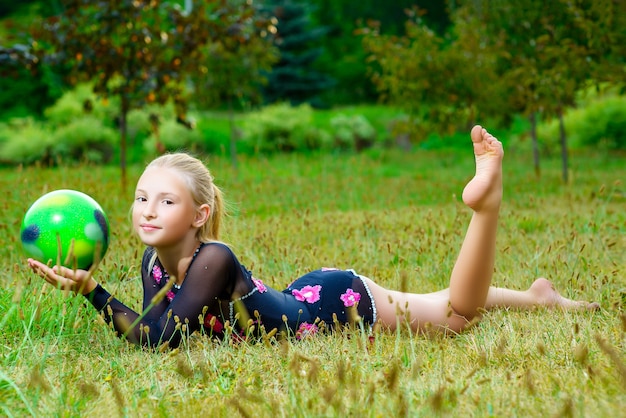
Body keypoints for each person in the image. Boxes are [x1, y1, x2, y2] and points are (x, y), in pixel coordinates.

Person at [27, 125, 598, 348]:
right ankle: (535, 297)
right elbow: (158, 326)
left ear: (200, 214)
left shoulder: (213, 259)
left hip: (335, 305)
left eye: (166, 200)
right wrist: (92, 290)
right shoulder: (155, 265)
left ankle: (487, 208)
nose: (147, 210)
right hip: (298, 294)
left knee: (454, 316)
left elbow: (157, 339)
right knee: (435, 302)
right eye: (140, 198)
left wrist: (92, 293)